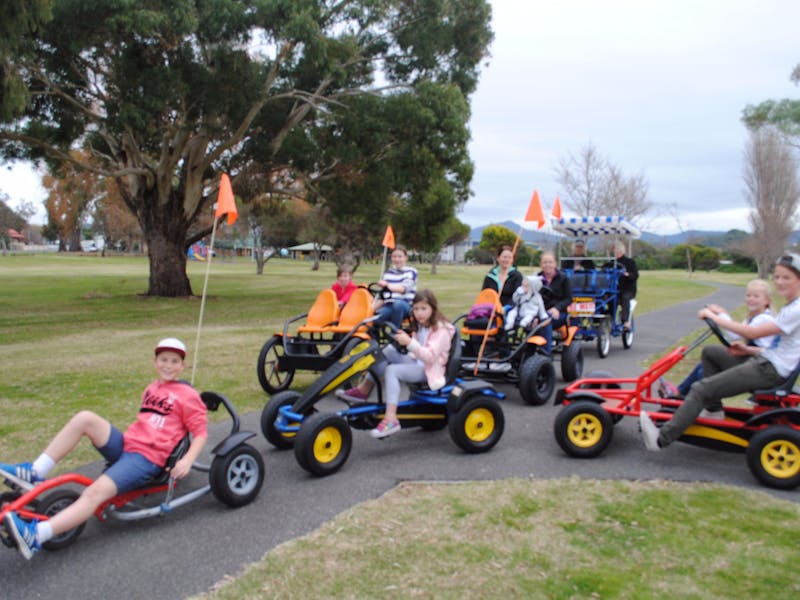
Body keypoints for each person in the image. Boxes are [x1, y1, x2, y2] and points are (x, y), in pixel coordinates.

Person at [1, 338, 208, 560]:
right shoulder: (152, 388)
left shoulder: (188, 396)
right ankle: (35, 472)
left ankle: (37, 536)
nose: (168, 365)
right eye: (163, 359)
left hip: (147, 459)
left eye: (174, 361)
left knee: (94, 493)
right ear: (155, 361)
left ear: (182, 365)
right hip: (128, 446)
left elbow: (200, 433)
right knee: (85, 418)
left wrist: (187, 460)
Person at [640, 253, 800, 452]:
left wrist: (715, 317)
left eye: (786, 278)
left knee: (700, 389)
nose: (780, 282)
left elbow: (752, 332)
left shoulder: (796, 309)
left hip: (770, 370)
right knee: (711, 352)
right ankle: (713, 409)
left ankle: (660, 439)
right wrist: (747, 348)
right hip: (767, 362)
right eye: (777, 277)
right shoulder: (791, 306)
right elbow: (779, 345)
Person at [336, 289, 455, 439]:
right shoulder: (421, 326)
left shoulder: (441, 329)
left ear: (433, 308)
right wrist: (404, 345)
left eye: (424, 308)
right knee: (389, 350)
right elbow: (416, 350)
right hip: (419, 363)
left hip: (431, 371)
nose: (419, 313)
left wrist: (410, 343)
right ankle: (363, 390)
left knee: (392, 370)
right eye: (416, 309)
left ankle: (391, 419)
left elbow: (430, 357)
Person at [658, 279, 777, 399]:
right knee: (705, 363)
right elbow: (735, 334)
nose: (751, 299)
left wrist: (717, 316)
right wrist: (721, 313)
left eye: (756, 296)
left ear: (766, 301)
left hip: (759, 365)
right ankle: (680, 394)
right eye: (748, 295)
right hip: (751, 360)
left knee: (705, 370)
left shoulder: (764, 319)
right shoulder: (754, 318)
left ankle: (690, 399)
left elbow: (740, 333)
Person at [374, 245, 418, 327]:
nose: (397, 259)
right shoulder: (388, 273)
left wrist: (387, 285)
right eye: (394, 256)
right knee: (374, 319)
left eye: (400, 256)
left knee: (397, 304)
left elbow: (403, 289)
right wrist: (371, 309)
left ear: (406, 258)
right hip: (389, 305)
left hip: (405, 305)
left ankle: (395, 334)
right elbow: (383, 296)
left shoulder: (411, 272)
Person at [538, 251, 573, 353]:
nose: (547, 265)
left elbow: (568, 298)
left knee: (546, 320)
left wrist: (557, 308)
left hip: (558, 313)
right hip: (540, 311)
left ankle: (546, 353)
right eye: (545, 262)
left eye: (550, 262)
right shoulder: (537, 279)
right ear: (541, 264)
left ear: (555, 264)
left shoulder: (563, 278)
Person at [602, 240, 638, 331]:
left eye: (614, 250)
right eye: (612, 250)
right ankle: (607, 319)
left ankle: (625, 321)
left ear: (620, 251)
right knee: (608, 298)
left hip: (627, 290)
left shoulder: (630, 262)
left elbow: (635, 275)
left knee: (625, 298)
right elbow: (602, 271)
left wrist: (627, 274)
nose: (612, 252)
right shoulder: (610, 263)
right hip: (613, 290)